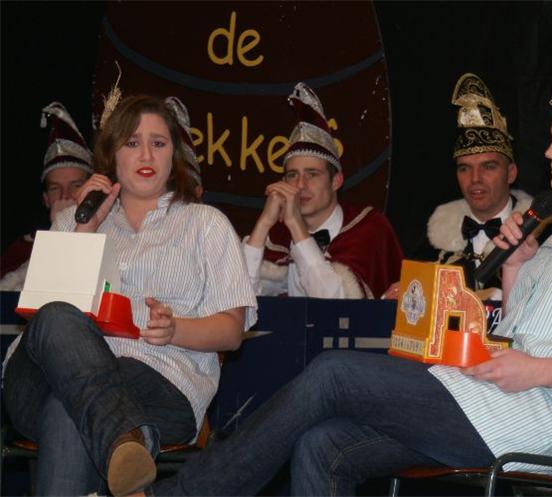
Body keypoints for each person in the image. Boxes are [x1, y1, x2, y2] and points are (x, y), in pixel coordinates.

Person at [140, 81, 552, 497]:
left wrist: (535, 370)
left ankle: (188, 494)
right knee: (323, 444)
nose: (548, 153)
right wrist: (515, 268)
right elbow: (519, 329)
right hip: (492, 396)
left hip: (541, 418)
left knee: (334, 373)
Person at [1, 94, 257, 496]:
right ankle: (123, 438)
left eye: (159, 143)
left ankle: (119, 444)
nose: (146, 154)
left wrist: (174, 329)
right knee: (57, 313)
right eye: (132, 142)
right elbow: (42, 315)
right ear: (112, 154)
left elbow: (231, 331)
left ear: (175, 155)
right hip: (40, 377)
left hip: (160, 382)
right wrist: (86, 230)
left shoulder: (206, 224)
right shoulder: (73, 219)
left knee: (68, 410)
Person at [385, 73, 552, 300]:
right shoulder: (433, 243)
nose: (475, 178)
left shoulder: (546, 235)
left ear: (511, 173)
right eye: (464, 168)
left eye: (488, 166)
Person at [243, 82, 403, 299]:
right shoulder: (278, 236)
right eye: (292, 175)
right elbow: (238, 298)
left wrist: (296, 226)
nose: (300, 185)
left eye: (312, 174)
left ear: (336, 181)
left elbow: (334, 305)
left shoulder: (369, 229)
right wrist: (263, 224)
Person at [0, 102, 94, 289]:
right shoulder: (21, 249)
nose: (65, 196)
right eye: (55, 188)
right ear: (45, 199)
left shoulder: (112, 235)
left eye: (76, 185)